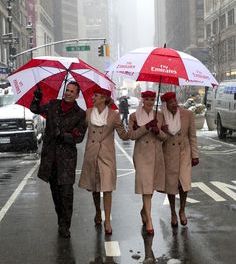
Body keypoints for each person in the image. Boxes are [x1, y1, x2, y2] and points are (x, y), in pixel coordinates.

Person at [30, 81, 87, 238]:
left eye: (71, 91)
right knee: (56, 195)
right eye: (67, 90)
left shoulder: (80, 113)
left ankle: (65, 226)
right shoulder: (53, 105)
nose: (68, 93)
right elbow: (35, 109)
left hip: (67, 161)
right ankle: (60, 219)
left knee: (67, 195)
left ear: (77, 95)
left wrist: (63, 136)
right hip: (51, 160)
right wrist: (36, 98)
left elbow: (79, 136)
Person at [79, 86, 129, 235]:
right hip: (91, 154)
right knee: (94, 187)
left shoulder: (114, 115)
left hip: (107, 156)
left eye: (96, 95)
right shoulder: (88, 113)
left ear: (104, 98)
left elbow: (124, 135)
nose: (93, 97)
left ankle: (107, 219)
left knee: (107, 188)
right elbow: (80, 130)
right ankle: (97, 211)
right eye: (93, 95)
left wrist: (141, 128)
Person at [128, 91, 167, 235]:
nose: (150, 102)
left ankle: (144, 210)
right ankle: (149, 219)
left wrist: (158, 131)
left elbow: (165, 138)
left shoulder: (160, 116)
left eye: (152, 99)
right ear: (142, 100)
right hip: (141, 155)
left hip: (156, 154)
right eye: (147, 99)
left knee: (151, 187)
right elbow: (131, 136)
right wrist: (146, 127)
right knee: (146, 186)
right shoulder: (134, 116)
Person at [160, 92, 199, 227]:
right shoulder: (161, 117)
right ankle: (172, 212)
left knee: (184, 183)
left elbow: (192, 136)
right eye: (170, 102)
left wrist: (195, 155)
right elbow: (159, 138)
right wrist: (161, 130)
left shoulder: (188, 114)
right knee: (171, 184)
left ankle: (182, 210)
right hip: (169, 154)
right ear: (165, 104)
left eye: (174, 101)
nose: (173, 104)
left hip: (184, 152)